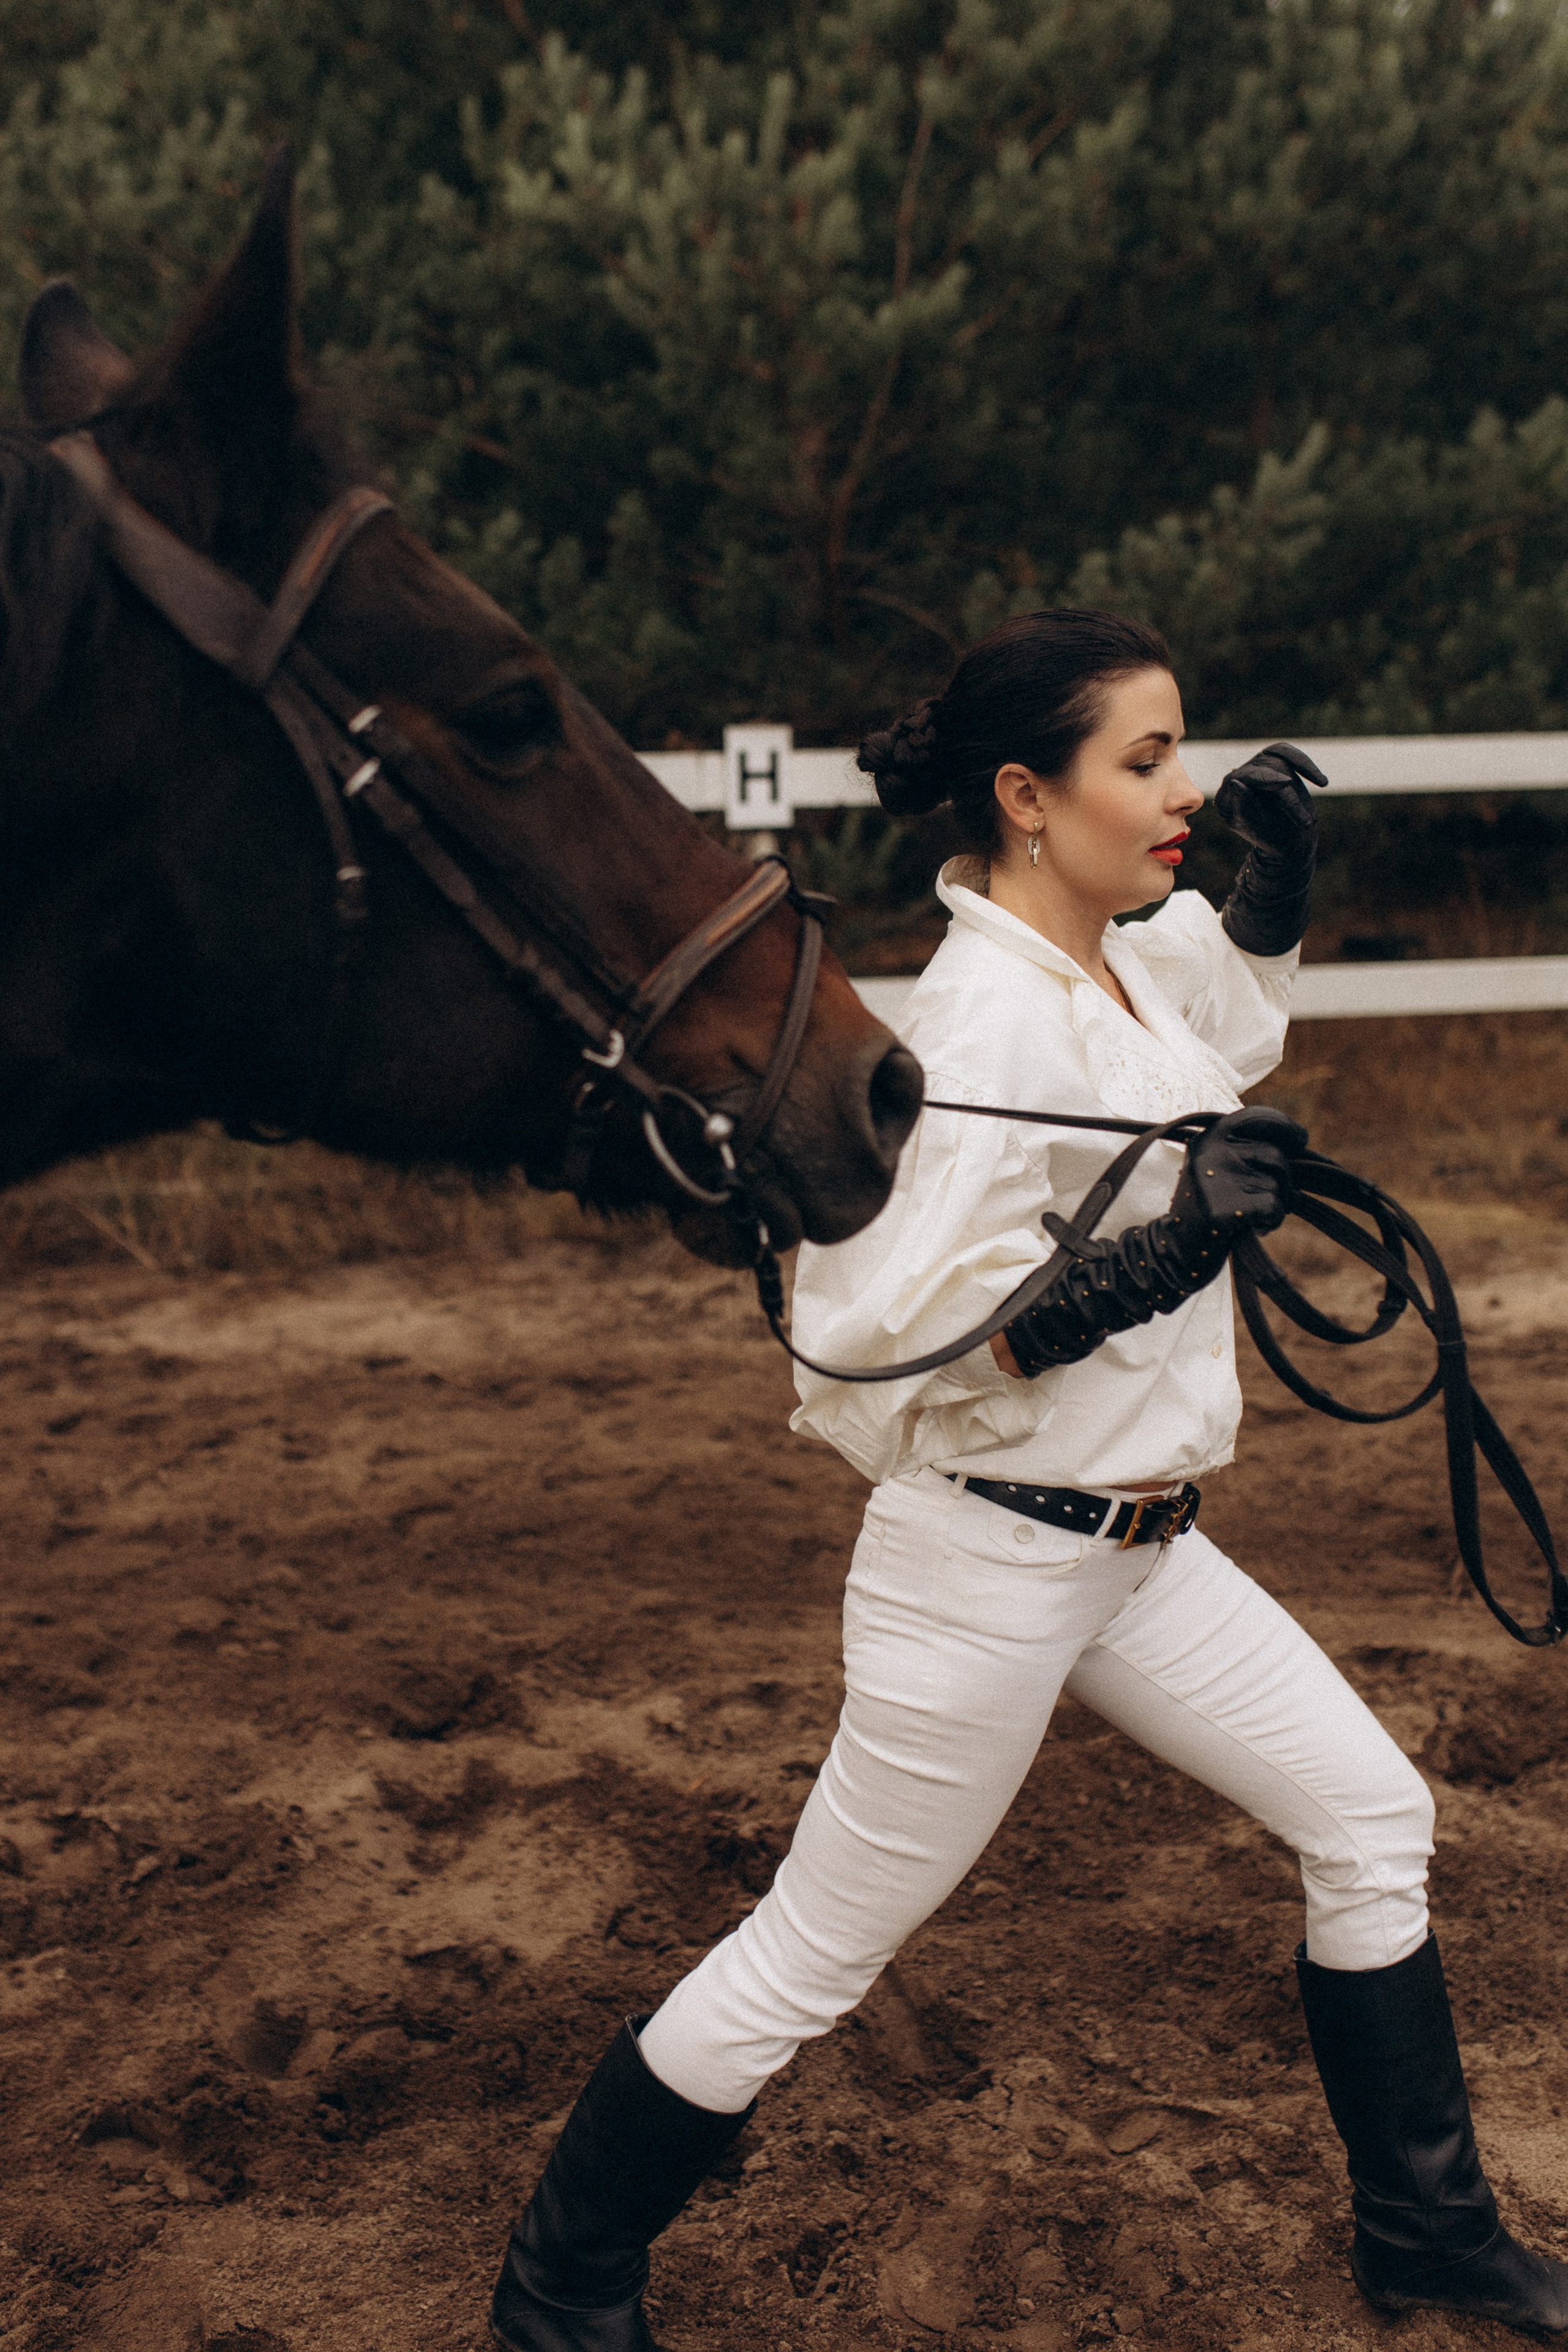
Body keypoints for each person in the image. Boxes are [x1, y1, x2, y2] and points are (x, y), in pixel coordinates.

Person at [489, 610, 1568, 2351]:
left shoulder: (1106, 966)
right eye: (1146, 761)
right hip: (984, 1572)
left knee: (1373, 1824)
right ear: (1026, 796)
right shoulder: (978, 1027)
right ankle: (560, 2288)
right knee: (813, 1957)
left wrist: (1269, 898)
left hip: (1140, 1557)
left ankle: (1430, 2237)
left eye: (1182, 754)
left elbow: (1202, 1027)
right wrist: (1149, 1261)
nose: (1186, 790)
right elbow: (869, 1334)